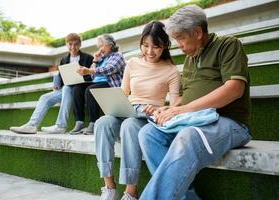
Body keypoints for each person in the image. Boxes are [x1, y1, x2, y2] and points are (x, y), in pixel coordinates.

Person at [138, 5, 252, 200]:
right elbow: (184, 97)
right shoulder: (190, 58)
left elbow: (234, 88)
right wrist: (171, 109)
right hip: (195, 120)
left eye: (181, 38)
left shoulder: (228, 45)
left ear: (198, 32)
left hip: (229, 122)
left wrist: (184, 109)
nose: (178, 45)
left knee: (187, 136)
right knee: (148, 133)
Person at [95, 21, 180, 200]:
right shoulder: (132, 63)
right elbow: (124, 93)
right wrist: (113, 105)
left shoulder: (171, 71)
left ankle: (131, 192)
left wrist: (159, 108)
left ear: (166, 45)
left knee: (130, 125)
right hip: (129, 109)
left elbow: (173, 106)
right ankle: (109, 188)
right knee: (103, 122)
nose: (149, 52)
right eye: (145, 45)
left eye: (156, 47)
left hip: (148, 118)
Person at [10, 33, 93, 134]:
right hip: (65, 90)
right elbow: (62, 76)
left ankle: (61, 126)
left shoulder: (88, 58)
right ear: (67, 44)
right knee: (44, 97)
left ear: (80, 45)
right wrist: (57, 83)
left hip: (79, 91)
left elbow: (92, 76)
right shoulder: (64, 60)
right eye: (70, 44)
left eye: (76, 44)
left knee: (67, 88)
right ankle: (32, 125)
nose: (73, 47)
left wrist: (82, 76)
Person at [70, 34, 126, 135]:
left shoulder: (117, 56)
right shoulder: (102, 58)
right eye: (98, 47)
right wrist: (95, 60)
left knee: (91, 90)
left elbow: (109, 69)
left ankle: (93, 122)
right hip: (98, 83)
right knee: (77, 89)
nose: (100, 49)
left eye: (101, 46)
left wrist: (89, 71)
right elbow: (92, 76)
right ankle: (80, 121)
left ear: (110, 45)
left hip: (110, 84)